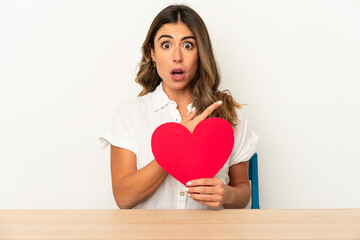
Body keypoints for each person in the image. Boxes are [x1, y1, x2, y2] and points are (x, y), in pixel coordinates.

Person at [99, 4, 258, 209]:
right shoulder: (129, 115)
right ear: (152, 53)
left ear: (201, 51)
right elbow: (124, 198)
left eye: (188, 45)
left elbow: (243, 190)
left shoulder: (229, 113)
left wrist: (227, 195)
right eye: (166, 45)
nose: (177, 57)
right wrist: (176, 146)